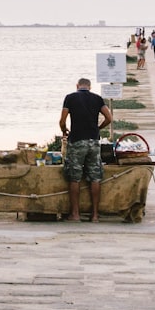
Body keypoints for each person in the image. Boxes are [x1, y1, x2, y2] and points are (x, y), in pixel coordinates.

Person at [58, 78, 113, 223]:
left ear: (77, 86)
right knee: (95, 177)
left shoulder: (70, 98)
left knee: (74, 177)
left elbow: (62, 121)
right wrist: (98, 128)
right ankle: (95, 215)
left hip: (76, 141)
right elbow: (109, 118)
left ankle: (75, 214)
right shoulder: (97, 98)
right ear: (89, 86)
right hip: (93, 142)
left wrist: (64, 131)